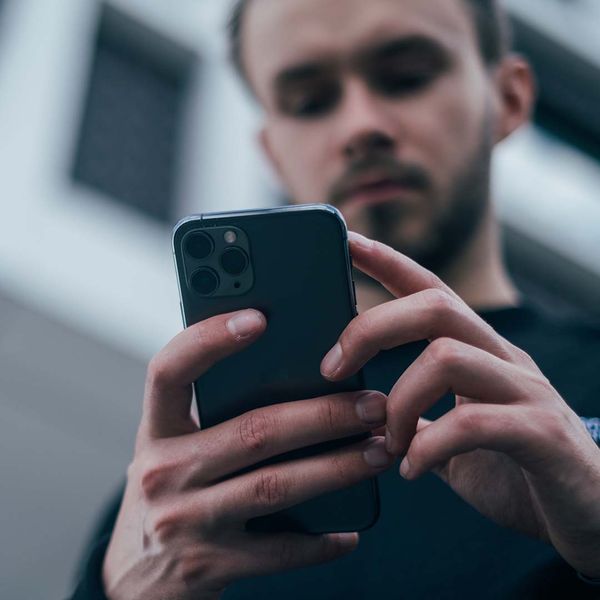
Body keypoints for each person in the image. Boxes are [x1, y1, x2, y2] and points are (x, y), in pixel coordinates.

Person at [69, 0, 600, 598]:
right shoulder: (179, 487)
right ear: (273, 153)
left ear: (507, 98)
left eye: (406, 77)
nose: (360, 125)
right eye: (310, 102)